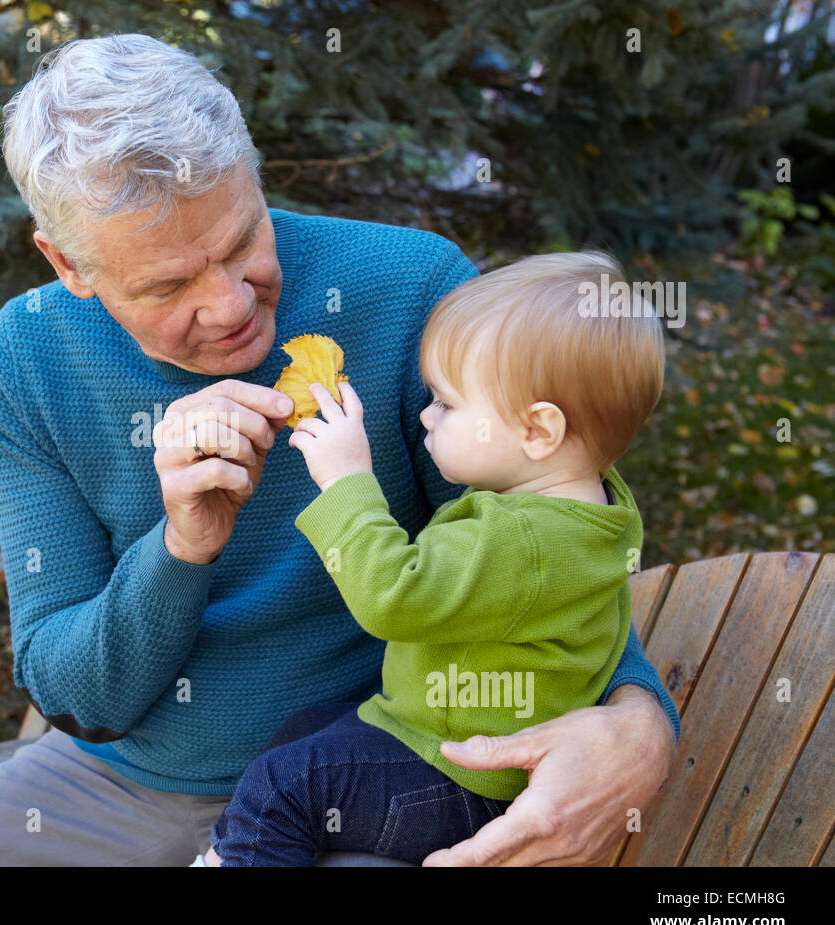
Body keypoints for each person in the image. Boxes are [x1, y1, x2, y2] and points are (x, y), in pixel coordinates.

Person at [0, 33, 679, 867]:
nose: (230, 306)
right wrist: (181, 548)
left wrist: (640, 723)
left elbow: (554, 541)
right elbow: (74, 695)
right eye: (169, 286)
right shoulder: (21, 365)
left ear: (253, 173)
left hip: (369, 769)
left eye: (242, 240)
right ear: (69, 264)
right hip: (119, 788)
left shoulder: (413, 289)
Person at [198, 252, 664, 866]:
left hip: (459, 781)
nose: (426, 414)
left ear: (538, 432)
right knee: (304, 731)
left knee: (283, 787)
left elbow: (396, 599)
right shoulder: (593, 510)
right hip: (452, 746)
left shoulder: (521, 540)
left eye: (447, 403)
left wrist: (347, 482)